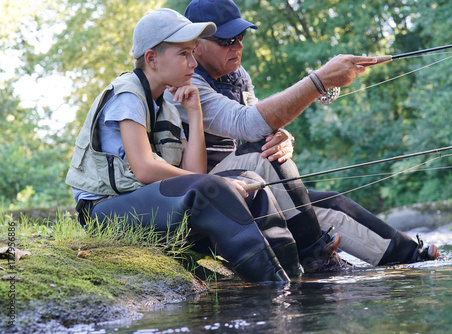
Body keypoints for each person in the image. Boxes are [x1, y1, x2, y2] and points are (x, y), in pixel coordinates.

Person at [167, 0, 439, 271]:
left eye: (241, 37)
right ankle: (316, 258)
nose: (238, 46)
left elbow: (260, 125)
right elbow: (247, 125)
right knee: (264, 153)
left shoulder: (238, 74)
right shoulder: (185, 83)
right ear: (197, 44)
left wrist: (283, 136)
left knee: (328, 204)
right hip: (203, 196)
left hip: (249, 184)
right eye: (227, 40)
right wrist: (319, 81)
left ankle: (415, 258)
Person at [65, 8, 309, 283]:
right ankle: (273, 286)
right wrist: (216, 186)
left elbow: (194, 170)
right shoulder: (128, 94)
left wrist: (194, 112)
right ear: (152, 59)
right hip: (104, 212)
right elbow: (145, 169)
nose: (194, 63)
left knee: (252, 182)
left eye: (193, 53)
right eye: (184, 54)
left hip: (145, 204)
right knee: (213, 187)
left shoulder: (167, 103)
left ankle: (294, 278)